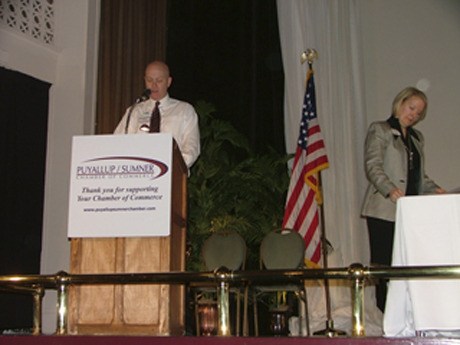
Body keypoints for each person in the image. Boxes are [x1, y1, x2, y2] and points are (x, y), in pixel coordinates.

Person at [361, 86, 446, 312]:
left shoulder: (417, 138)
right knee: (384, 264)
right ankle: (384, 312)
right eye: (411, 108)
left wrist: (434, 189)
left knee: (406, 264)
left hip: (409, 212)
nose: (414, 115)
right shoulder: (381, 129)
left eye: (419, 113)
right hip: (384, 209)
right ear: (400, 103)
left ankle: (405, 313)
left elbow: (417, 175)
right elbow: (373, 166)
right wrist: (389, 189)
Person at [114, 60, 200, 169]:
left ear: (168, 82)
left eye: (159, 80)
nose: (153, 85)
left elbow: (191, 148)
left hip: (170, 174)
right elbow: (118, 143)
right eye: (149, 80)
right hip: (137, 175)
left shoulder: (184, 111)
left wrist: (169, 168)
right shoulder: (135, 111)